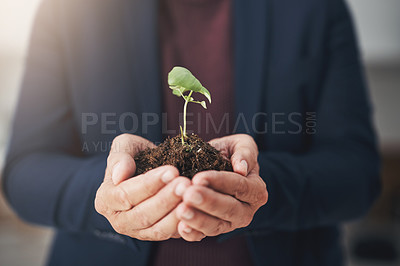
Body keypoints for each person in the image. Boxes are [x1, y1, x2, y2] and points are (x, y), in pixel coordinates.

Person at [2, 0, 380, 265]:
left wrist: (251, 188)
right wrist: (116, 194)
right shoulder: (69, 9)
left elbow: (357, 174)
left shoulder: (314, 8)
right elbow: (24, 173)